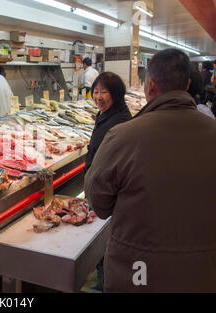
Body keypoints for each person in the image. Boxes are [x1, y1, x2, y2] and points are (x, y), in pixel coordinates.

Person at [84, 48, 216, 293]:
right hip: (203, 273)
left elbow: (98, 203)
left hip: (137, 272)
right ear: (187, 84)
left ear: (150, 85)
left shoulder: (123, 135)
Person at [84, 72, 132, 291]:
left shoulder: (119, 121)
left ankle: (106, 284)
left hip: (110, 193)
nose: (98, 96)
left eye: (104, 92)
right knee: (104, 239)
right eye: (95, 91)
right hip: (103, 188)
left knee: (107, 240)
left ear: (116, 94)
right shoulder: (107, 114)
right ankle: (103, 279)